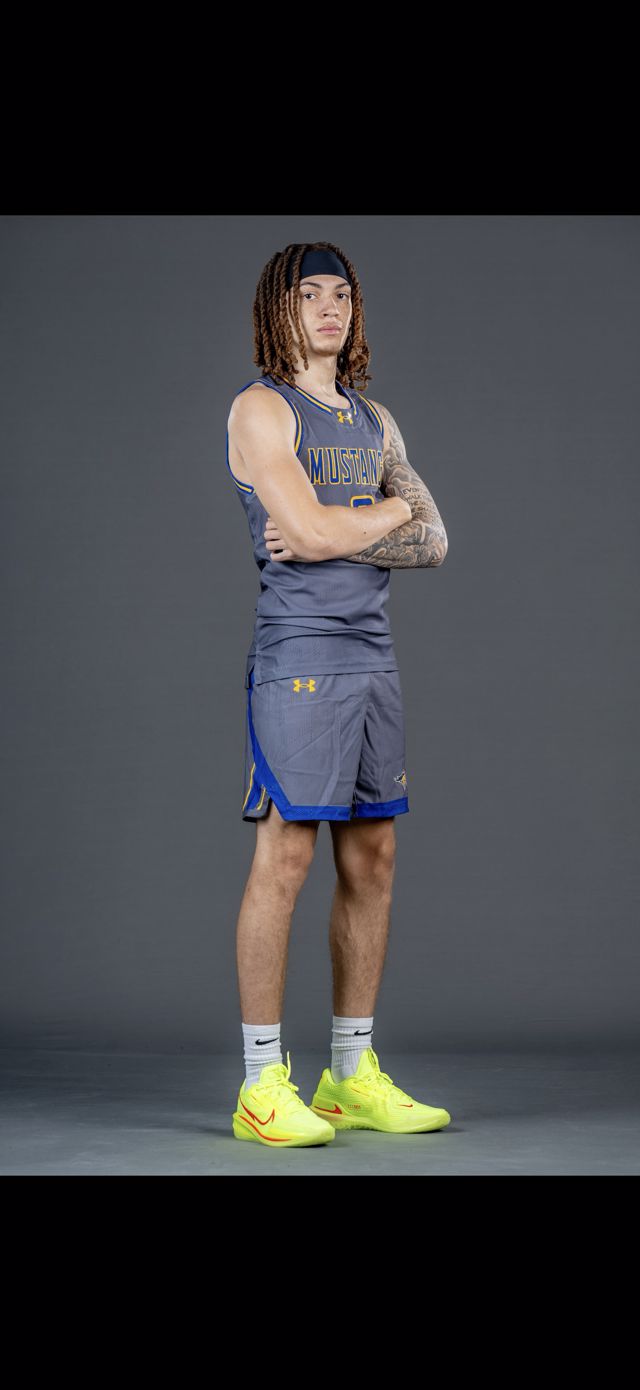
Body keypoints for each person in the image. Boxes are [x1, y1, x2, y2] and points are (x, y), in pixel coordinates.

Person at [226, 240, 451, 1147]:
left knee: (373, 858)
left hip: (373, 655)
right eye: (309, 293)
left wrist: (348, 522)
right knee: (286, 859)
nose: (329, 308)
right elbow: (310, 535)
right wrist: (386, 513)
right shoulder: (260, 409)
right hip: (301, 656)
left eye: (342, 295)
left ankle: (350, 1075)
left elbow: (434, 539)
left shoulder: (375, 421)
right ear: (277, 308)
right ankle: (259, 1086)